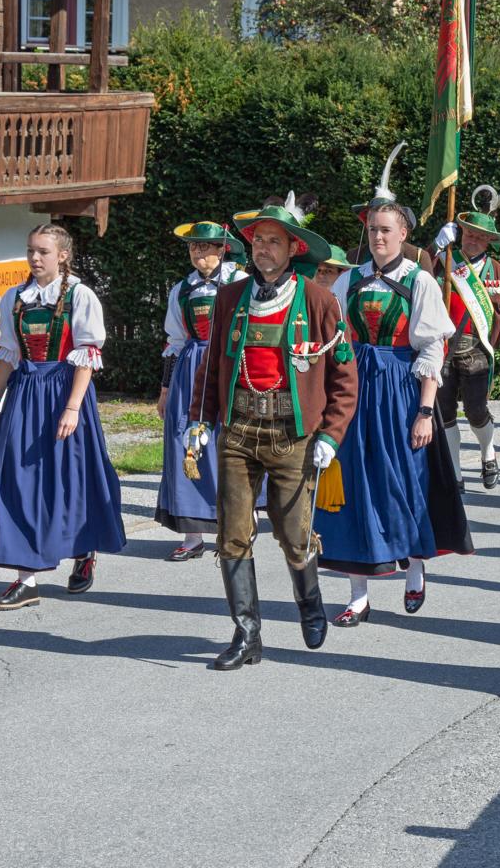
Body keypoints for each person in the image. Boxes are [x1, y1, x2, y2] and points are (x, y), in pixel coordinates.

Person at [185, 198, 359, 670]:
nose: (262, 248)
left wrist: (331, 436)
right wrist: (199, 420)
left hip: (293, 434)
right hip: (238, 430)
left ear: (293, 248)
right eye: (258, 240)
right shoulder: (229, 298)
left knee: (294, 535)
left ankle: (310, 604)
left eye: (273, 241)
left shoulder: (321, 301)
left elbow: (345, 378)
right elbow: (210, 368)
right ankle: (247, 635)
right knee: (232, 535)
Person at [320, 192, 468, 625]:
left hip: (400, 391)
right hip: (354, 389)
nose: (378, 237)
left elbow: (432, 348)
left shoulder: (419, 281)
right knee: (353, 486)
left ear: (403, 234)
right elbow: (334, 337)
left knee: (404, 482)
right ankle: (358, 595)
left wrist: (425, 412)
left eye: (386, 230)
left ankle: (415, 566)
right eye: (372, 230)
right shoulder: (349, 280)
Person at [0, 224, 125, 608]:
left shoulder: (80, 295)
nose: (34, 257)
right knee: (18, 479)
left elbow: (87, 356)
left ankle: (84, 549)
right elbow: (7, 354)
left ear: (62, 255)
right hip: (25, 394)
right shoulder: (15, 297)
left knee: (72, 477)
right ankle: (25, 578)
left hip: (65, 391)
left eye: (42, 251)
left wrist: (73, 408)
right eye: (30, 250)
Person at [156, 221, 249, 561]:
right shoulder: (182, 289)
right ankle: (193, 535)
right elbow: (175, 341)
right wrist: (166, 389)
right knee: (187, 441)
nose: (197, 252)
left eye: (204, 246)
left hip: (230, 364)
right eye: (193, 246)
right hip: (191, 367)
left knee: (230, 444)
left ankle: (235, 528)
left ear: (222, 249)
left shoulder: (241, 282)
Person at [430, 210, 500, 490]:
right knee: (445, 413)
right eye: (469, 234)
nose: (473, 240)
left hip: (478, 350)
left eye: (480, 237)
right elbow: (416, 273)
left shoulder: (499, 272)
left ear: (489, 241)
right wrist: (435, 247)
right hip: (443, 349)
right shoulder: (444, 261)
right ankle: (456, 474)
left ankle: (488, 453)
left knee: (476, 411)